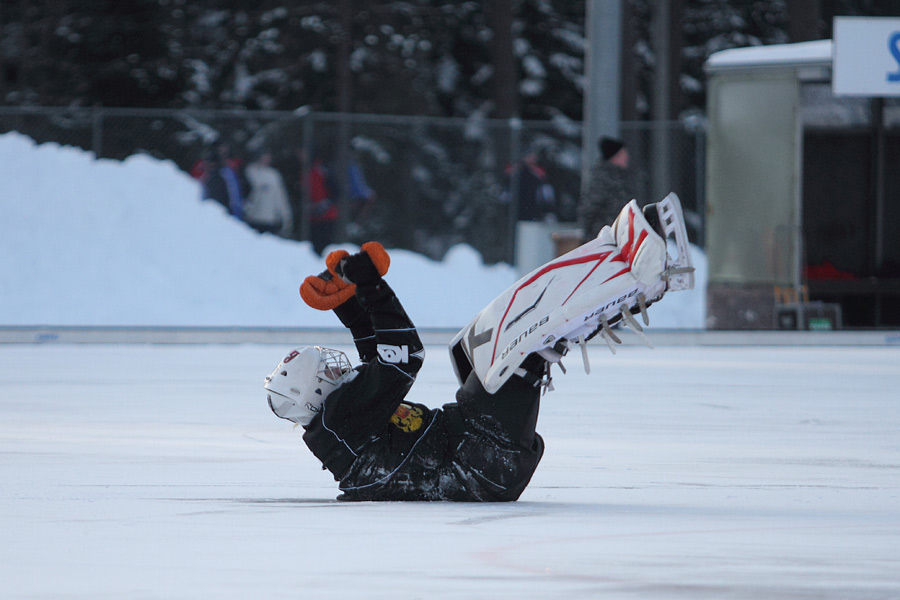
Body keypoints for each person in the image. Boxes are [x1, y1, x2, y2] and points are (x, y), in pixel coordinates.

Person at [263, 194, 696, 502]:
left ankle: (619, 261)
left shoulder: (339, 425)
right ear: (315, 393)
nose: (337, 369)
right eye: (327, 372)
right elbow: (405, 357)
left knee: (498, 336)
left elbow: (378, 364)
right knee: (524, 339)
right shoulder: (342, 419)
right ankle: (647, 280)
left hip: (474, 446)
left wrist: (351, 307)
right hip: (481, 464)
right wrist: (372, 287)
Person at [578, 136, 635, 240]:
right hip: (603, 236)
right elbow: (590, 208)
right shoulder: (602, 178)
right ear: (614, 156)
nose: (627, 157)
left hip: (617, 234)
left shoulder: (620, 177)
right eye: (623, 154)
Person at [244, 149, 293, 237]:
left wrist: (285, 216)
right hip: (254, 218)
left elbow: (280, 197)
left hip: (270, 219)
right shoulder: (250, 172)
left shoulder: (274, 175)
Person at [503, 151, 556, 222]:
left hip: (531, 202)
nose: (532, 159)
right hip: (519, 201)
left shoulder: (536, 170)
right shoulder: (517, 169)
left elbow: (543, 182)